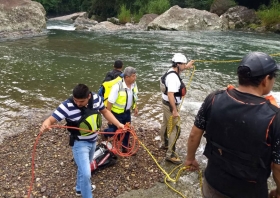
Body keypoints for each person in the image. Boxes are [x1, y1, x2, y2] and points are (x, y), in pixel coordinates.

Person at [185, 52, 280, 198]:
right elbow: (277, 166)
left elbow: (194, 134)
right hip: (249, 192)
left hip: (212, 182)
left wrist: (190, 158)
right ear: (266, 80)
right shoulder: (274, 117)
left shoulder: (213, 98)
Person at [39, 84, 124, 198]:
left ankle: (79, 189)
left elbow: (105, 112)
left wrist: (119, 125)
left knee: (84, 167)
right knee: (86, 173)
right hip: (79, 143)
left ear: (89, 96)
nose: (78, 103)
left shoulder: (96, 99)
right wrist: (46, 124)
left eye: (81, 101)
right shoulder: (67, 106)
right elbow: (50, 119)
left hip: (93, 140)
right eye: (76, 100)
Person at [160, 53, 194, 164]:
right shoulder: (173, 78)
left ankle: (164, 143)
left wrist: (187, 66)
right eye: (183, 64)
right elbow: (171, 94)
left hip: (165, 103)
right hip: (170, 105)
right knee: (176, 129)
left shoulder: (171, 71)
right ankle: (170, 154)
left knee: (165, 123)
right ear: (178, 64)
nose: (185, 66)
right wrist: (174, 110)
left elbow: (168, 94)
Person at [106, 66, 138, 153]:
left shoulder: (134, 84)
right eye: (133, 76)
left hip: (127, 113)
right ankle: (105, 133)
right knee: (113, 131)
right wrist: (109, 118)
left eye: (135, 75)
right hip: (116, 114)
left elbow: (135, 96)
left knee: (127, 130)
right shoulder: (117, 86)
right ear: (127, 77)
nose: (135, 78)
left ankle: (125, 147)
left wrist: (135, 107)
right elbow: (110, 102)